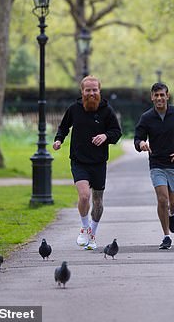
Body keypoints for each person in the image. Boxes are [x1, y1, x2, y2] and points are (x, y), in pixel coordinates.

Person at [53, 75, 122, 250]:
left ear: (99, 91)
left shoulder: (107, 111)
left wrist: (105, 136)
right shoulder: (74, 109)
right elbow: (63, 127)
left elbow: (116, 132)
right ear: (82, 92)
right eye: (88, 90)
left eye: (94, 90)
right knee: (84, 196)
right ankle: (85, 228)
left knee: (97, 201)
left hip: (98, 162)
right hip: (79, 160)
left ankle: (93, 232)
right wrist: (59, 140)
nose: (91, 93)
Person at [134, 82, 174, 250]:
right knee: (162, 199)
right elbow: (137, 138)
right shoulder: (146, 117)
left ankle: (172, 213)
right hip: (157, 164)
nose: (159, 98)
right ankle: (166, 236)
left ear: (167, 96)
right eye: (156, 95)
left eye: (162, 95)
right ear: (152, 97)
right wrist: (141, 143)